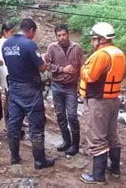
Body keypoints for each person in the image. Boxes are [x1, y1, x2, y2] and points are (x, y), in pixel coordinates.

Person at [2, 18, 55, 169]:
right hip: (30, 89)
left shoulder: (6, 44)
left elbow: (13, 63)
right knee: (36, 125)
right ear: (31, 30)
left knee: (14, 125)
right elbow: (42, 68)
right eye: (35, 32)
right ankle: (39, 161)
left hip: (14, 88)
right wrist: (43, 58)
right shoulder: (29, 44)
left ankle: (14, 157)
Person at [79, 22, 126, 184]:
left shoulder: (102, 54)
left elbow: (91, 76)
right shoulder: (118, 53)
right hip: (113, 99)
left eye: (94, 39)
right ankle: (115, 169)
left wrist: (82, 69)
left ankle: (98, 176)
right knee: (112, 135)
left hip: (99, 101)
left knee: (97, 136)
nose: (92, 42)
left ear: (102, 39)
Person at [46, 24, 84, 156]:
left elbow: (82, 66)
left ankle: (75, 144)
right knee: (60, 115)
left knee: (72, 115)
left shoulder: (76, 48)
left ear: (68, 34)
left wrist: (81, 85)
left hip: (71, 87)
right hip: (56, 86)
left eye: (64, 34)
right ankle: (66, 141)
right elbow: (47, 65)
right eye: (59, 35)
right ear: (56, 36)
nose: (62, 37)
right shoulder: (52, 47)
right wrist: (62, 69)